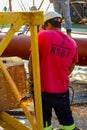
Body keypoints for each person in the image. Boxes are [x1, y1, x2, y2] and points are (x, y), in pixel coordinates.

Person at [28, 11, 79, 130]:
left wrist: (31, 83)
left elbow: (32, 62)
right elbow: (71, 66)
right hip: (62, 91)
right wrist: (59, 76)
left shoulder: (41, 36)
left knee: (44, 123)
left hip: (43, 90)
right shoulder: (72, 43)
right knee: (67, 123)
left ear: (46, 24)